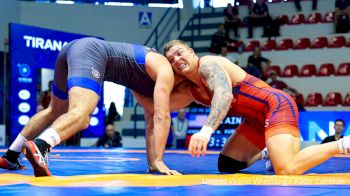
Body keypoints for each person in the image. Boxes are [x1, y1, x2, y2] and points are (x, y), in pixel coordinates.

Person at [163, 39, 350, 175]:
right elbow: (158, 107)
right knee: (227, 164)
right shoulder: (189, 90)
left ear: (192, 52)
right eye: (171, 60)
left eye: (179, 53)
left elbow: (224, 94)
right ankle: (267, 151)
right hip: (256, 120)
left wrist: (206, 131)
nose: (176, 60)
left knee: (286, 169)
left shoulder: (208, 65)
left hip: (276, 106)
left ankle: (343, 144)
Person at [0, 37, 181, 176]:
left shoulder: (149, 78)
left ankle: (11, 156)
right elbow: (161, 116)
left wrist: (154, 164)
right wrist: (159, 161)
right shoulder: (165, 69)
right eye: (174, 57)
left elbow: (151, 121)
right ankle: (41, 144)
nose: (176, 62)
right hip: (90, 51)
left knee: (53, 111)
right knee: (81, 116)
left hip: (73, 49)